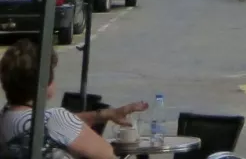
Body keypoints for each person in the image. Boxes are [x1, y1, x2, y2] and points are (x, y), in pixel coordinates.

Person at [1, 39, 145, 158]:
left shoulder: (7, 117)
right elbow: (107, 153)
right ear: (45, 82)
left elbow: (59, 125)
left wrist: (104, 115)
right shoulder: (55, 119)